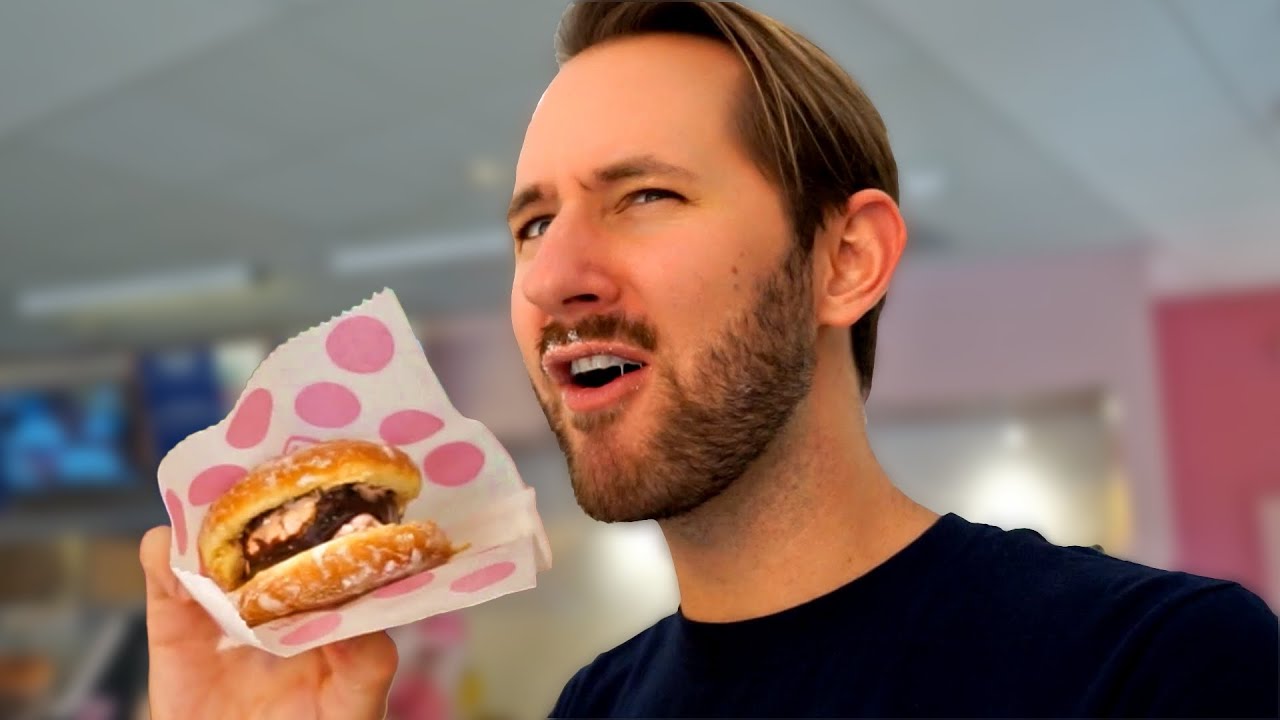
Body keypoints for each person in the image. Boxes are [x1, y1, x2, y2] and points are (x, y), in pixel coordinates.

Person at [139, 2, 1280, 718]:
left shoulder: (1155, 668)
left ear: (844, 261)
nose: (552, 275)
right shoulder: (594, 705)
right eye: (532, 224)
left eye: (643, 196)